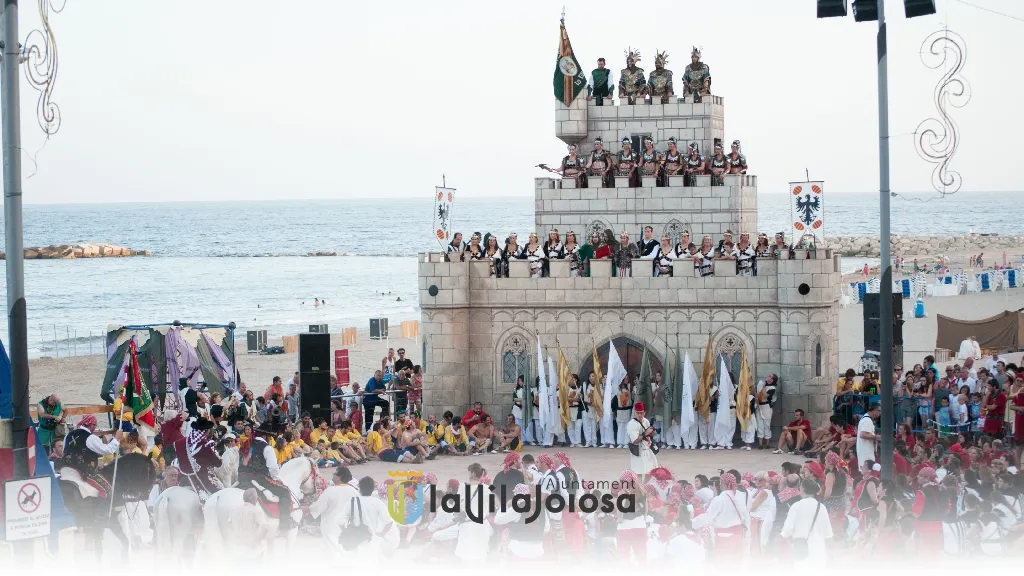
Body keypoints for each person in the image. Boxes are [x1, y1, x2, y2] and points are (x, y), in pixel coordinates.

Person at [238, 412, 295, 531]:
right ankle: (285, 525)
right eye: (270, 437)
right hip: (258, 479)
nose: (270, 439)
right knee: (285, 492)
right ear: (266, 436)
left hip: (242, 478)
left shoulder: (247, 444)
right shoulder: (266, 448)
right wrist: (276, 478)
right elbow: (273, 468)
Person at [780, 478, 832, 564]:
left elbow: (787, 531)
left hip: (800, 550)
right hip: (818, 550)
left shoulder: (796, 506)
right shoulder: (821, 507)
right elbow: (828, 532)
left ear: (803, 489)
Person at [626, 402, 658, 481]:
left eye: (641, 413)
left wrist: (652, 433)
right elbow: (634, 440)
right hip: (637, 450)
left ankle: (645, 486)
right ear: (634, 412)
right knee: (638, 472)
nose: (639, 415)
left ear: (644, 412)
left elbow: (648, 435)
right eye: (637, 413)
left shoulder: (646, 421)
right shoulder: (632, 424)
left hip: (647, 449)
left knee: (650, 470)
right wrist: (645, 434)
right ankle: (639, 489)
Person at [754, 375, 777, 450]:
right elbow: (758, 395)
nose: (767, 376)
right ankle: (760, 444)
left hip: (766, 407)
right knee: (759, 425)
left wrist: (763, 387)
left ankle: (767, 444)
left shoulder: (772, 388)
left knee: (767, 425)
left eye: (770, 376)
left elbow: (765, 395)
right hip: (760, 406)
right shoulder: (761, 384)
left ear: (772, 380)